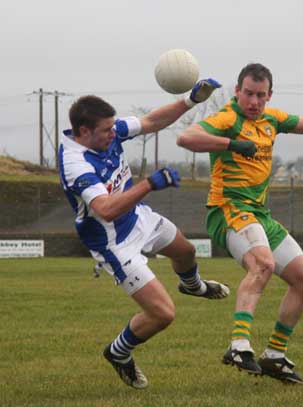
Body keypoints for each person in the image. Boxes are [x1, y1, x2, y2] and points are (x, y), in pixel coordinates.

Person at [177, 63, 303, 384]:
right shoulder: (228, 118)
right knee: (263, 264)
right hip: (228, 209)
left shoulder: (272, 119)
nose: (254, 101)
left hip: (259, 215)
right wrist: (231, 144)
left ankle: (274, 355)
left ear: (269, 95)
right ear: (237, 92)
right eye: (248, 94)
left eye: (261, 95)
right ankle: (239, 344)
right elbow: (187, 137)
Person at [58, 78, 230, 390]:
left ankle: (192, 286)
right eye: (107, 131)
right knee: (163, 314)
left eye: (114, 128)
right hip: (113, 241)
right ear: (84, 132)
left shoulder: (105, 132)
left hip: (137, 218)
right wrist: (150, 184)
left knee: (186, 252)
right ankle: (118, 352)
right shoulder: (75, 162)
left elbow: (152, 120)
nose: (114, 134)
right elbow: (107, 209)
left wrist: (191, 100)